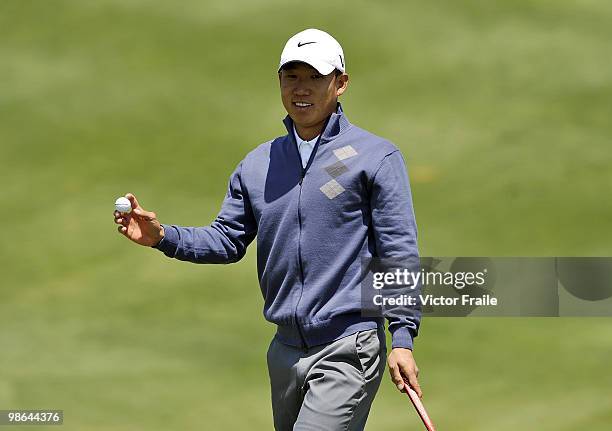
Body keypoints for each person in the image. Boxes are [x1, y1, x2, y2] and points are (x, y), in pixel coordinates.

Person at [114, 28, 422, 431]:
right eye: (291, 76)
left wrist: (401, 337)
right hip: (284, 351)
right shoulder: (258, 164)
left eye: (315, 77)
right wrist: (163, 238)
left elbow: (397, 250)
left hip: (349, 345)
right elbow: (227, 239)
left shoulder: (374, 157)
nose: (302, 88)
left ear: (340, 83)